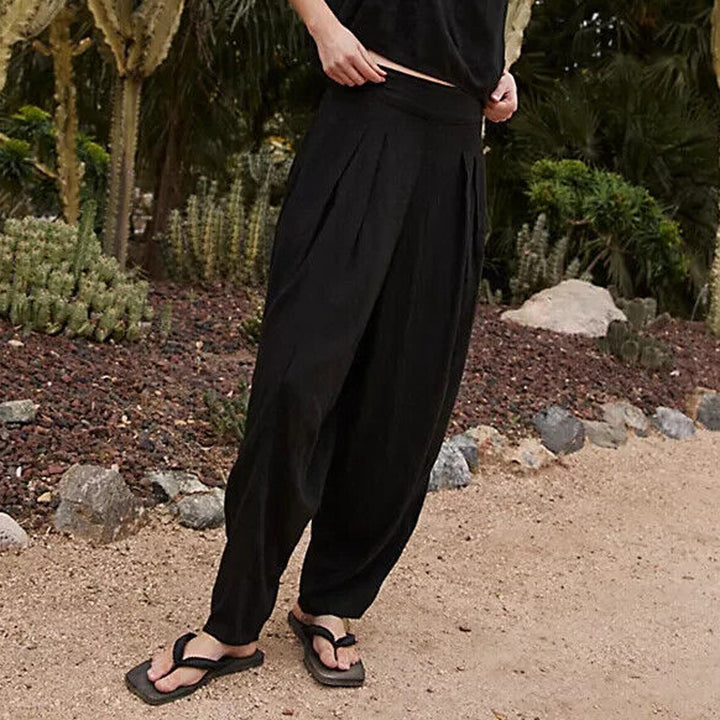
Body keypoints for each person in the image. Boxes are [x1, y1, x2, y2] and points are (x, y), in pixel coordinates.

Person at [125, 0, 518, 705]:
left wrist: (500, 70)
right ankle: (233, 622)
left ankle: (330, 602)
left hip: (456, 148)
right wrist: (322, 25)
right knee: (297, 380)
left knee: (406, 399)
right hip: (368, 117)